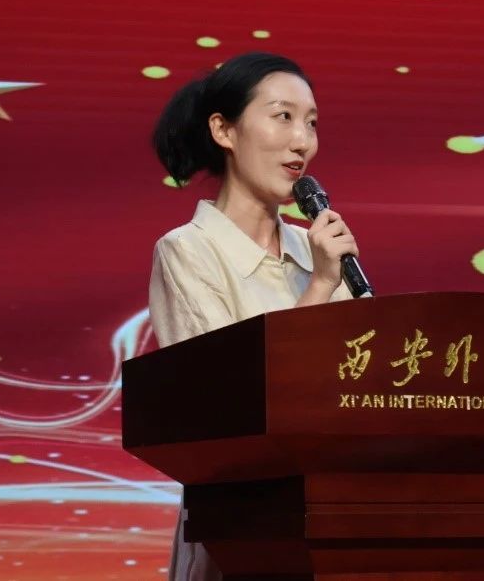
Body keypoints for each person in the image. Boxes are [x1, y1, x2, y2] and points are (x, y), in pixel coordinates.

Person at [147, 52, 359, 581]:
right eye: (283, 116)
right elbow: (231, 405)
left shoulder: (317, 250)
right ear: (223, 129)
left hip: (340, 524)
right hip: (241, 533)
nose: (302, 141)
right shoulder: (188, 251)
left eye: (312, 123)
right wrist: (321, 286)